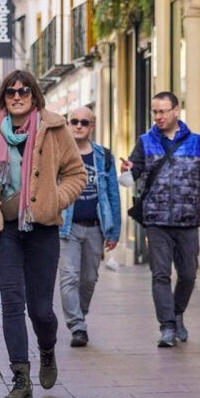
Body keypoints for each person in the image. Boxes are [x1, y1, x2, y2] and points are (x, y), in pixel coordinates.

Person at [0, 70, 86, 398]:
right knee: (11, 302)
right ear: (3, 97)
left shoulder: (54, 128)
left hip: (42, 230)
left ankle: (47, 350)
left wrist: (54, 200)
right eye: (10, 92)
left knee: (41, 310)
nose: (17, 96)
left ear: (34, 95)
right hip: (2, 229)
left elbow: (76, 174)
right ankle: (20, 378)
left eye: (23, 91)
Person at [121, 92, 200, 348]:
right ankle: (167, 326)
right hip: (156, 221)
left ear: (176, 111)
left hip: (187, 220)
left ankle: (177, 314)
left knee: (188, 275)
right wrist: (126, 171)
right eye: (155, 112)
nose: (158, 117)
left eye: (163, 111)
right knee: (161, 275)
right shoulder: (145, 142)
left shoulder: (196, 142)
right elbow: (133, 175)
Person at [58, 106, 121, 348]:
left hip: (96, 227)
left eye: (84, 122)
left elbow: (113, 194)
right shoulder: (59, 155)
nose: (79, 126)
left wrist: (114, 231)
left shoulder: (103, 156)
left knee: (90, 278)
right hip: (67, 227)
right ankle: (77, 326)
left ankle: (79, 315)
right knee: (69, 277)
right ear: (67, 124)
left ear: (92, 126)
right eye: (74, 121)